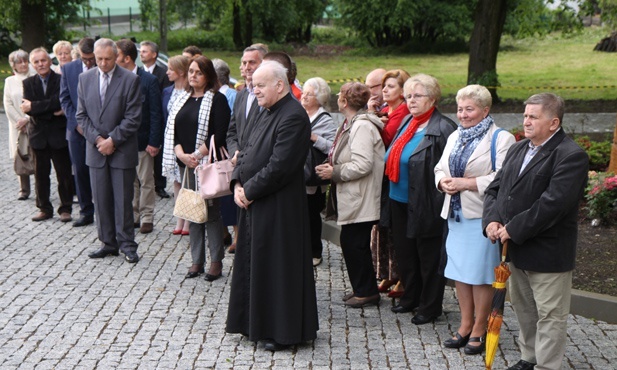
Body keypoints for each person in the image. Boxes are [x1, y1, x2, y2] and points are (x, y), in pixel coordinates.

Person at [483, 93, 589, 370]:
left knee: (550, 315)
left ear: (554, 123)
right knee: (525, 310)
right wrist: (492, 220)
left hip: (547, 252)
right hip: (514, 249)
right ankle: (528, 358)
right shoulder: (519, 148)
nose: (526, 121)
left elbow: (553, 205)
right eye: (525, 115)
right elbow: (496, 189)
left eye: (533, 117)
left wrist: (512, 229)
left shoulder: (571, 156)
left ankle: (546, 366)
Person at [226, 60, 318, 351]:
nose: (254, 90)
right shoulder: (264, 111)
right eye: (253, 85)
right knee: (255, 265)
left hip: (279, 207)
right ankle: (253, 323)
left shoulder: (293, 116)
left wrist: (249, 191)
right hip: (255, 202)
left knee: (278, 268)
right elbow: (246, 150)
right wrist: (238, 183)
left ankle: (283, 331)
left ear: (280, 85)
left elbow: (281, 166)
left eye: (260, 85)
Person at [434, 85, 515, 355]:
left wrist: (466, 183)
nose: (463, 114)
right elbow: (439, 167)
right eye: (460, 109)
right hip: (455, 215)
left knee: (480, 276)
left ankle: (480, 328)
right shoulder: (456, 135)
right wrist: (442, 182)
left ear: (485, 110)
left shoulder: (501, 139)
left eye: (469, 109)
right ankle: (465, 324)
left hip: (482, 217)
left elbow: (504, 178)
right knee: (459, 273)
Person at [387, 74, 456, 325]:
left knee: (428, 256)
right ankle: (410, 297)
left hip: (427, 201)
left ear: (433, 98)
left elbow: (449, 168)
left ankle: (429, 306)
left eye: (417, 96)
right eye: (408, 96)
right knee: (406, 254)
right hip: (399, 199)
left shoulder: (443, 128)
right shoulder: (408, 121)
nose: (411, 100)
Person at [315, 82, 384, 308]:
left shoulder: (362, 126)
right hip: (352, 194)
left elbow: (363, 164)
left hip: (360, 195)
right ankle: (362, 289)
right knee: (352, 241)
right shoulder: (350, 123)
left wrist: (334, 172)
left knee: (355, 243)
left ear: (344, 101)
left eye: (340, 96)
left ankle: (367, 292)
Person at [162, 56, 230, 281]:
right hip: (187, 165)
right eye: (191, 71)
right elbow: (174, 132)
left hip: (206, 165)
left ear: (208, 76)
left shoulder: (217, 100)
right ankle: (196, 261)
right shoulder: (182, 99)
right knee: (191, 211)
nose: (192, 75)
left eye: (198, 72)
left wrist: (197, 155)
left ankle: (216, 262)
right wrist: (182, 155)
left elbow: (219, 135)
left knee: (210, 214)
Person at [76, 38, 142, 264]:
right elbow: (81, 116)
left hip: (121, 150)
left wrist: (112, 140)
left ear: (117, 57)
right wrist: (97, 140)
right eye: (99, 59)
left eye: (107, 59)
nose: (103, 63)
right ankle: (107, 243)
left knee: (124, 200)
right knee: (101, 200)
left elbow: (133, 118)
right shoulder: (84, 79)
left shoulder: (131, 80)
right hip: (95, 150)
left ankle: (127, 244)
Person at [116, 39, 163, 235]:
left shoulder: (148, 80)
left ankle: (147, 217)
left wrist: (154, 141)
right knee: (130, 181)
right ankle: (133, 215)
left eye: (116, 55)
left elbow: (155, 113)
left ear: (126, 58)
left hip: (143, 140)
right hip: (123, 140)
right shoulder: (115, 79)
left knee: (146, 181)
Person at [21, 47, 74, 222]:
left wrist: (35, 106)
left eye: (43, 60)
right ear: (32, 65)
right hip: (38, 137)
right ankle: (44, 208)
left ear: (50, 61)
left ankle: (65, 208)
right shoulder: (28, 83)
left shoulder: (61, 79)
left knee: (64, 174)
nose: (40, 64)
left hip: (58, 136)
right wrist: (50, 109)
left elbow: (60, 101)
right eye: (36, 62)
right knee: (40, 175)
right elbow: (30, 111)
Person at [60, 37, 97, 227]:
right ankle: (86, 211)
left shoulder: (104, 67)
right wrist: (76, 124)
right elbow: (65, 99)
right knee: (80, 171)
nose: (89, 63)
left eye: (92, 59)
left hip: (100, 131)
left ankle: (104, 209)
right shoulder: (69, 69)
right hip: (76, 132)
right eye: (85, 59)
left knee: (99, 172)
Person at [300, 77, 337, 267]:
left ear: (319, 97)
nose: (304, 96)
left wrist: (314, 138)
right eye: (303, 92)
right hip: (297, 174)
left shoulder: (325, 120)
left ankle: (315, 252)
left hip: (313, 178)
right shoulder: (299, 114)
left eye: (309, 94)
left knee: (312, 217)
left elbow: (333, 147)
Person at [162, 55, 191, 236]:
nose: (167, 72)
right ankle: (179, 218)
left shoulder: (190, 92)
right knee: (176, 181)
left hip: (184, 139)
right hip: (169, 139)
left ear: (180, 72)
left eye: (171, 69)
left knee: (187, 181)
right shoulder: (168, 91)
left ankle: (188, 221)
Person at [213, 58, 239, 252]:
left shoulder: (231, 96)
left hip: (226, 152)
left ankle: (236, 235)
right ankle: (222, 233)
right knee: (215, 193)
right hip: (214, 151)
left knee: (228, 195)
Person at [140, 40, 171, 199]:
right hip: (143, 119)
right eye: (141, 51)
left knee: (158, 154)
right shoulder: (138, 73)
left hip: (159, 116)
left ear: (154, 54)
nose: (141, 53)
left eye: (145, 51)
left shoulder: (163, 73)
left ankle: (160, 185)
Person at [226, 45, 267, 164]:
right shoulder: (241, 95)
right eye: (244, 63)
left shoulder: (270, 96)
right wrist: (235, 153)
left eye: (252, 62)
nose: (247, 67)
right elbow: (232, 131)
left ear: (263, 64)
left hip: (260, 163)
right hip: (239, 163)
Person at [4, 49, 33, 201]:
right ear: (13, 65)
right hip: (17, 126)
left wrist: (27, 118)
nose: (23, 64)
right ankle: (24, 189)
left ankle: (42, 185)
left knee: (37, 153)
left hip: (34, 122)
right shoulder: (9, 81)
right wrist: (19, 121)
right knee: (20, 154)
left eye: (25, 61)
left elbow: (37, 101)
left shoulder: (34, 77)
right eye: (19, 62)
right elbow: (7, 104)